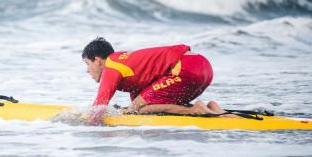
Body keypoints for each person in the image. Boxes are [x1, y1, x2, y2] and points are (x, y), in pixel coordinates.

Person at [82, 37, 231, 124]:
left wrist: (76, 122)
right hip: (202, 66)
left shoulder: (111, 67)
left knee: (137, 108)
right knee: (143, 108)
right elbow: (146, 97)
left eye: (87, 64)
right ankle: (215, 110)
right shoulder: (125, 63)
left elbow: (98, 109)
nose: (87, 70)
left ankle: (196, 110)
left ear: (97, 61)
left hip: (185, 67)